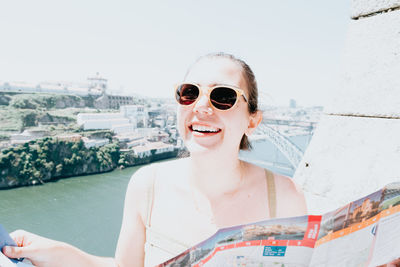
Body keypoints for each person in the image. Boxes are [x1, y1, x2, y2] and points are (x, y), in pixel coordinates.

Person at [2, 52, 307, 267]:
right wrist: (57, 253)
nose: (201, 107)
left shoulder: (283, 198)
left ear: (253, 120)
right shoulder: (147, 185)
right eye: (189, 93)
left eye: (223, 96)